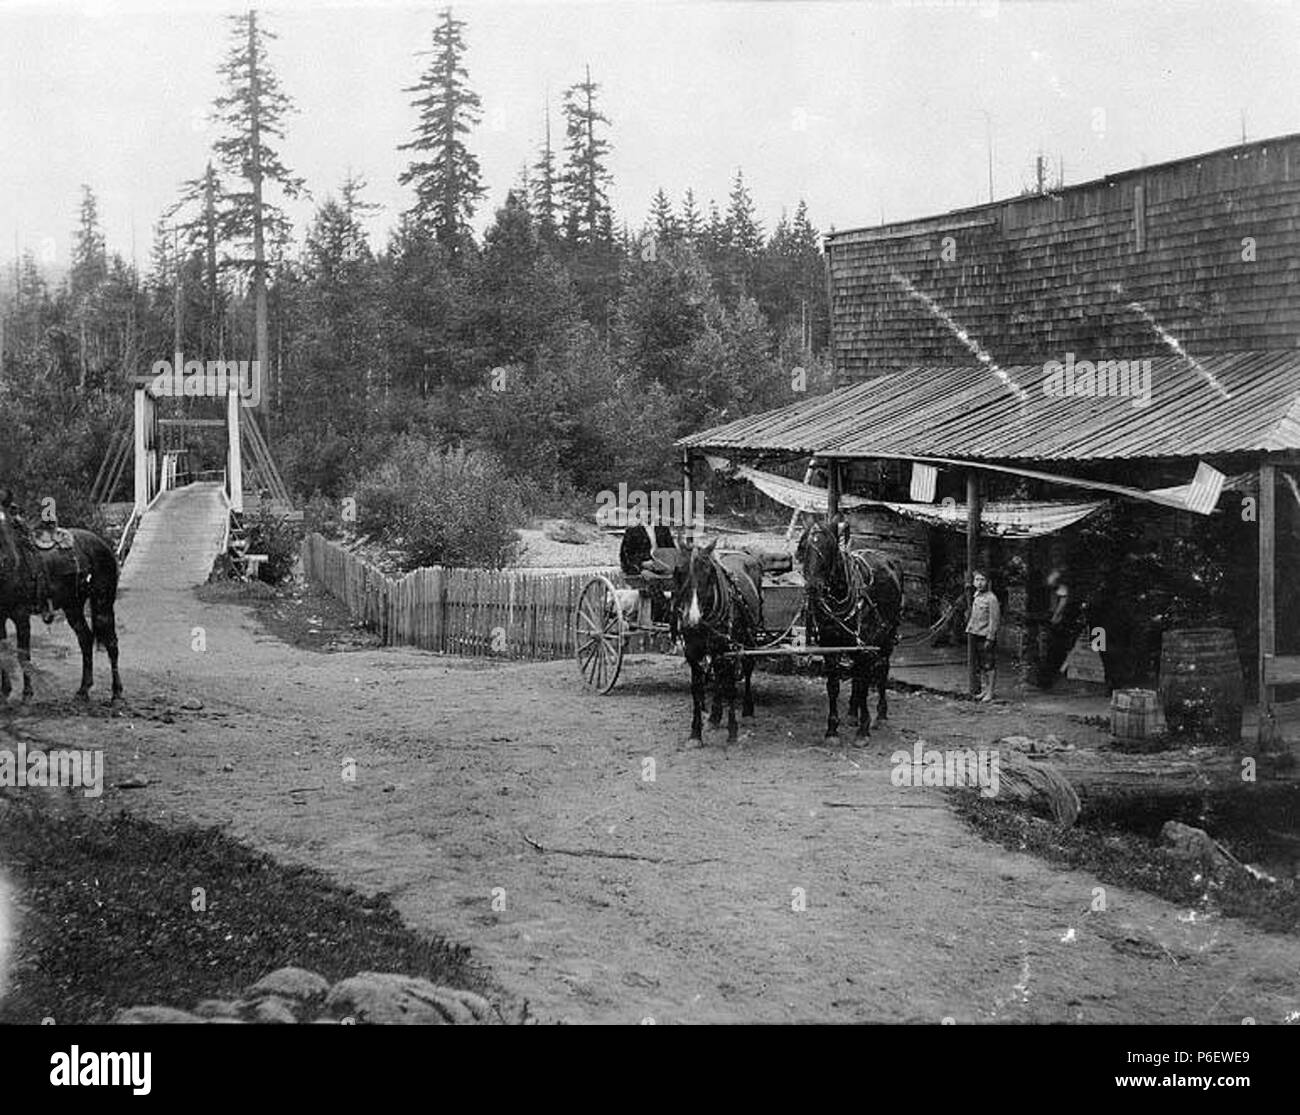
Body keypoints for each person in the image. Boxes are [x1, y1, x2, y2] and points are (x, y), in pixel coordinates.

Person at [0, 488, 56, 623]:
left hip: (17, 541)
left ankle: (44, 600)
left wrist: (18, 522)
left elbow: (24, 528)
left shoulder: (12, 512)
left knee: (37, 562)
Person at [965, 569, 1001, 702]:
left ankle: (990, 691)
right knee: (981, 665)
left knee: (989, 664)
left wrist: (990, 638)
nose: (979, 583)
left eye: (982, 580)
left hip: (985, 636)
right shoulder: (976, 596)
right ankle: (985, 690)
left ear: (988, 582)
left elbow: (994, 620)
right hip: (976, 633)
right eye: (977, 580)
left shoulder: (991, 599)